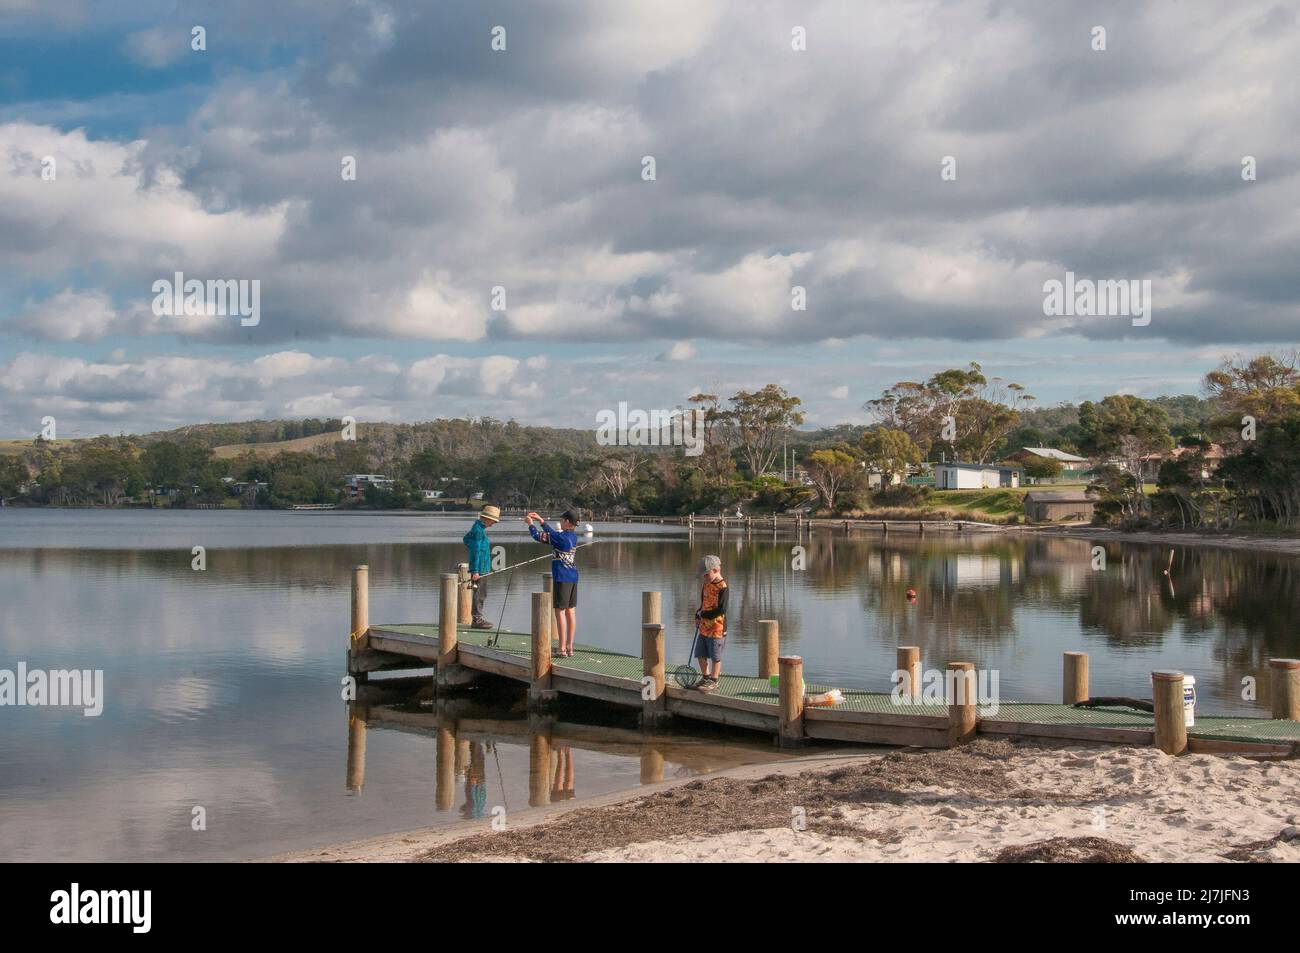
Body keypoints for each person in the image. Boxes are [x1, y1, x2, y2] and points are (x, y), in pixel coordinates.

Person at [525, 509, 580, 657]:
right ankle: (569, 647)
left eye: (562, 520)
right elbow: (553, 534)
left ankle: (561, 649)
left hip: (561, 578)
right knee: (570, 611)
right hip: (573, 577)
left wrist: (531, 524)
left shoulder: (560, 538)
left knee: (559, 612)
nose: (560, 522)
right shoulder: (573, 537)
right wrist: (541, 521)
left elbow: (537, 536)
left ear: (567, 522)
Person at [694, 554, 728, 693]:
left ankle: (714, 681)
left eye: (706, 574)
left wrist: (705, 615)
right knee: (700, 653)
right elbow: (703, 603)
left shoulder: (723, 587)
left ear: (715, 570)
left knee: (715, 655)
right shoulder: (706, 584)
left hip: (717, 628)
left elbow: (721, 610)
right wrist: (698, 614)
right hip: (703, 627)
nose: (705, 578)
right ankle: (705, 677)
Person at [462, 504, 500, 630]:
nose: (493, 524)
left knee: (481, 593)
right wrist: (475, 571)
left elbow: (465, 539)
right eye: (493, 521)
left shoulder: (478, 528)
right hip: (480, 569)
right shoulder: (478, 531)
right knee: (480, 594)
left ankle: (477, 618)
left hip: (482, 567)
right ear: (487, 519)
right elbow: (476, 551)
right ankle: (477, 620)